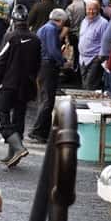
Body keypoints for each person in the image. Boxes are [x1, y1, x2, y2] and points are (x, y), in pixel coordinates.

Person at [0, 4, 41, 167]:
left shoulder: (10, 37)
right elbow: (37, 64)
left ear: (13, 20)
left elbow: (1, 60)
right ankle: (13, 153)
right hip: (26, 84)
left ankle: (18, 148)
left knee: (2, 115)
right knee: (19, 117)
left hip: (9, 83)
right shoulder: (35, 39)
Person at [28, 9, 68, 144]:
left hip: (42, 65)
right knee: (47, 100)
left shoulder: (45, 28)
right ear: (61, 21)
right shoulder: (51, 29)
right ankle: (37, 131)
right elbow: (52, 50)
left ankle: (42, 132)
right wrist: (63, 61)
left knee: (44, 99)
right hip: (47, 66)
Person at [78, 0, 108, 90]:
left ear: (98, 10)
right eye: (88, 9)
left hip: (94, 59)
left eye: (93, 9)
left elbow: (105, 42)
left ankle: (88, 103)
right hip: (82, 59)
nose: (90, 11)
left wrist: (99, 58)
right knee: (84, 85)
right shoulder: (84, 21)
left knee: (90, 86)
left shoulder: (103, 23)